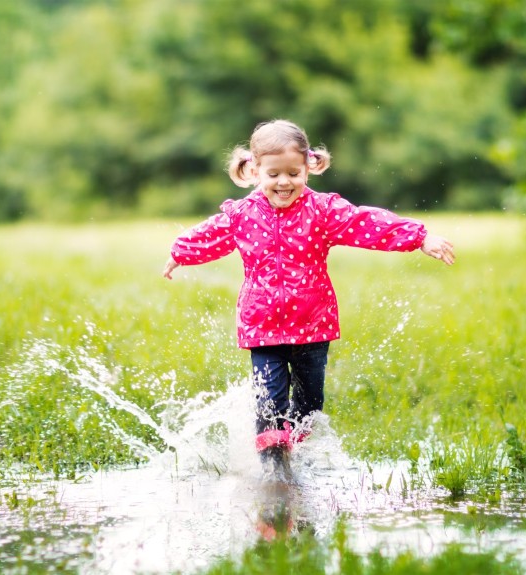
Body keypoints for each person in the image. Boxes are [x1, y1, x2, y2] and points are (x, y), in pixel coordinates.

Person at [162, 119, 454, 480]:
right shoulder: (243, 216)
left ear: (308, 167)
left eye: (293, 173)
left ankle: (295, 453)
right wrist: (180, 253)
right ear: (255, 171)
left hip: (313, 325)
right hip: (263, 329)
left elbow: (366, 223)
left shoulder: (323, 210)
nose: (284, 182)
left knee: (309, 405)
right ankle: (274, 473)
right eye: (273, 174)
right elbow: (209, 234)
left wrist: (419, 237)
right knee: (269, 401)